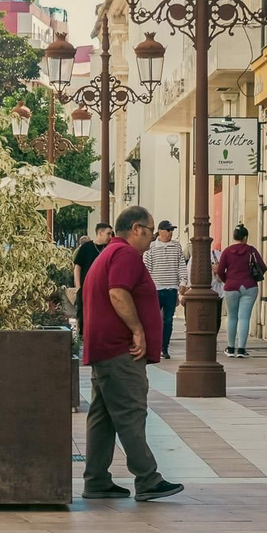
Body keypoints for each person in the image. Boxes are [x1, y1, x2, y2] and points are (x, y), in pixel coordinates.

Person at [81, 205, 183, 503]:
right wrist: (137, 330)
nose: (153, 238)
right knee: (131, 412)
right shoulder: (125, 254)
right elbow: (117, 292)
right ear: (137, 229)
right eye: (150, 231)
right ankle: (148, 478)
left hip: (104, 347)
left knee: (102, 417)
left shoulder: (108, 253)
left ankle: (97, 480)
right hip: (120, 350)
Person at [214, 225, 265, 358]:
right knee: (244, 317)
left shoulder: (227, 251)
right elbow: (262, 266)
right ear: (245, 237)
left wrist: (227, 280)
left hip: (231, 286)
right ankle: (241, 349)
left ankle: (231, 348)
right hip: (249, 286)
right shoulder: (251, 250)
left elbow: (220, 270)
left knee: (232, 317)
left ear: (234, 237)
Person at [145, 220, 187, 358]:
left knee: (168, 320)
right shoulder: (151, 247)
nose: (170, 233)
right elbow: (146, 268)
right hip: (155, 289)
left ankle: (164, 348)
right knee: (153, 319)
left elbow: (181, 265)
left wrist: (183, 282)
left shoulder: (176, 246)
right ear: (160, 231)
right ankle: (153, 346)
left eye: (172, 230)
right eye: (168, 230)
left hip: (171, 289)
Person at [72, 223, 112, 337]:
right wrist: (78, 287)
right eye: (108, 233)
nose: (110, 237)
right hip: (85, 287)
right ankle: (82, 336)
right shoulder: (86, 247)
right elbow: (77, 267)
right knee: (83, 314)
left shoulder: (108, 248)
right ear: (100, 233)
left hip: (103, 289)